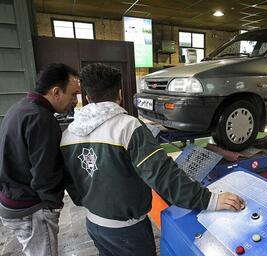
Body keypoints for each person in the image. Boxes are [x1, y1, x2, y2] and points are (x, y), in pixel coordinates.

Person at [60, 63, 245, 256]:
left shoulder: (68, 134)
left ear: (87, 98)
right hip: (127, 231)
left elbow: (71, 182)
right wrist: (210, 199)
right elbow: (163, 176)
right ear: (120, 95)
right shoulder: (127, 127)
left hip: (94, 225)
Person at [0, 63, 80, 256]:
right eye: (73, 94)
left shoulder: (20, 108)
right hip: (30, 208)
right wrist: (53, 204)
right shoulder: (41, 118)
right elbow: (45, 173)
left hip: (11, 199)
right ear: (56, 92)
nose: (75, 101)